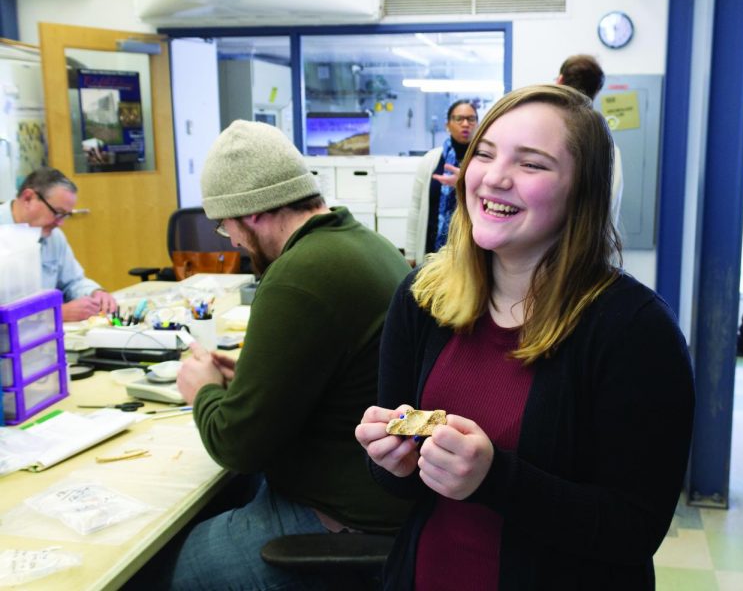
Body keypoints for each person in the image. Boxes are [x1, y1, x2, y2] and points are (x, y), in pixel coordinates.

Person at [356, 85, 695, 589]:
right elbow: (399, 487)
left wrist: (494, 480)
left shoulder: (636, 331)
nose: (494, 178)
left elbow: (633, 530)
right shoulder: (422, 297)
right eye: (484, 154)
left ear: (583, 190)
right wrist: (390, 460)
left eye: (532, 164)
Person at [140, 120, 412, 590]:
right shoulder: (360, 242)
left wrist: (201, 390)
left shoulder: (298, 275)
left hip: (344, 517)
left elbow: (237, 447)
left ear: (254, 214)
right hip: (377, 491)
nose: (233, 243)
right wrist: (249, 377)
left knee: (161, 569)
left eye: (227, 228)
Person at [0, 167, 117, 321]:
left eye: (66, 215)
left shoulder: (53, 236)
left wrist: (96, 293)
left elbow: (73, 281)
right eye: (57, 212)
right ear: (28, 198)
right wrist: (55, 314)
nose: (60, 223)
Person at [405, 99, 478, 266]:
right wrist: (409, 253)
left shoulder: (484, 160)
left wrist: (464, 184)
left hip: (471, 253)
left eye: (471, 119)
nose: (465, 124)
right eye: (459, 119)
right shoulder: (431, 160)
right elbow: (416, 207)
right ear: (448, 125)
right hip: (432, 250)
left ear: (477, 124)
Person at [556, 53, 625, 227]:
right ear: (597, 90)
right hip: (595, 247)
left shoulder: (544, 135)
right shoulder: (608, 147)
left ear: (560, 80)